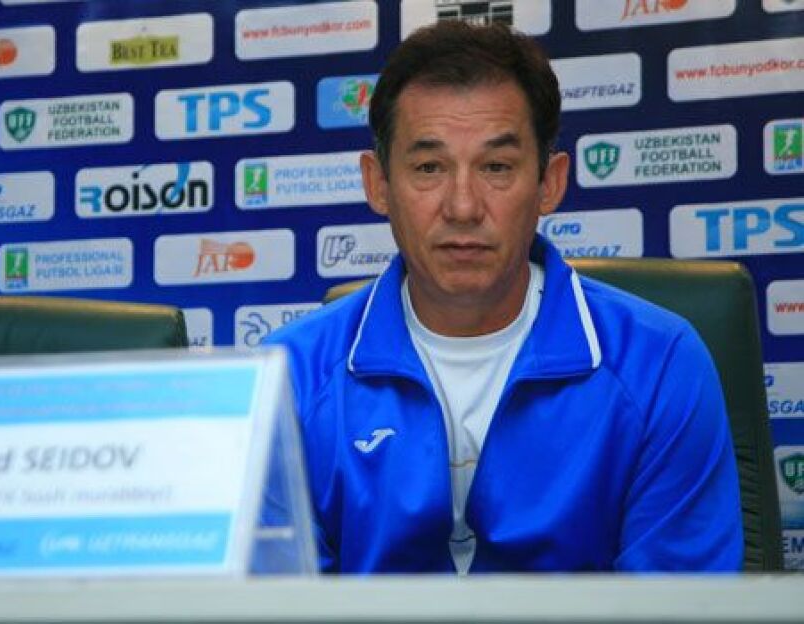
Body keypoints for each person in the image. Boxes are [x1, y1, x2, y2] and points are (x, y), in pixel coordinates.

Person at [263, 20, 743, 573]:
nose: (463, 207)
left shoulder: (658, 364)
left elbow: (679, 606)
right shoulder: (289, 377)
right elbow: (276, 602)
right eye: (429, 167)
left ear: (549, 183)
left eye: (496, 167)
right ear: (378, 184)